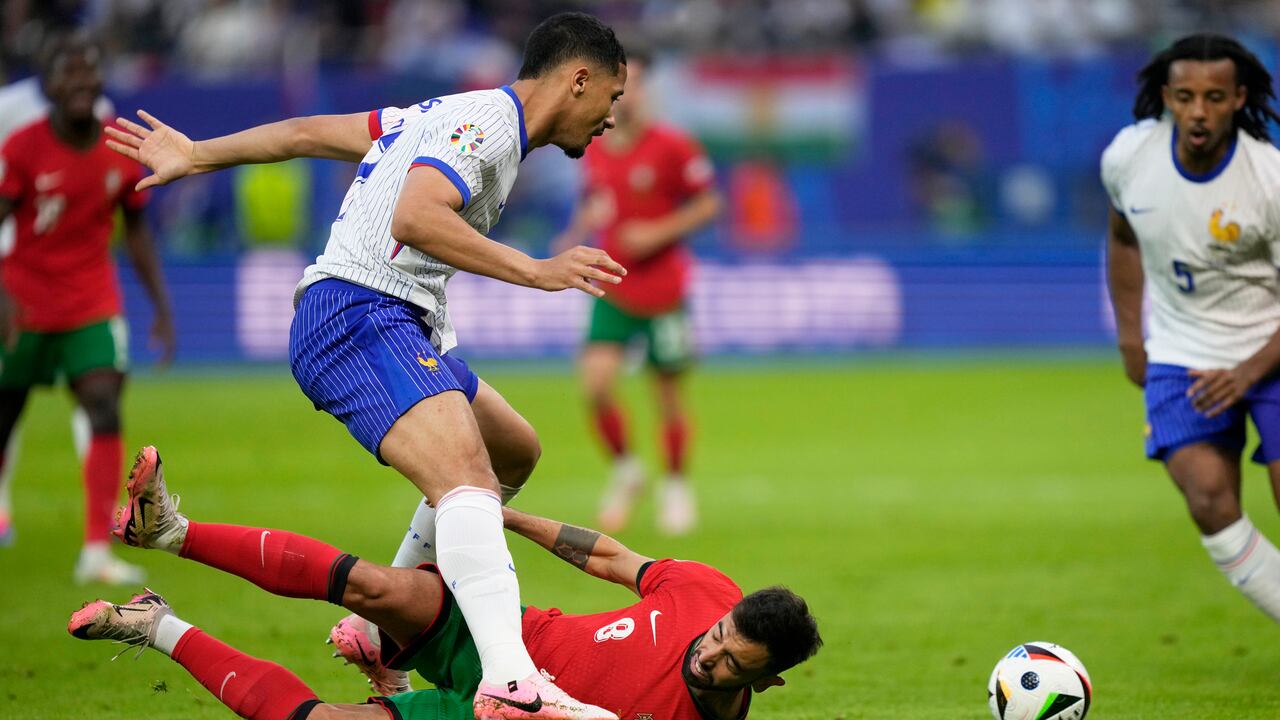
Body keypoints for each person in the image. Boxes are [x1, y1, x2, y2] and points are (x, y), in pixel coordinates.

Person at [108, 12, 629, 718]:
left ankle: (379, 636)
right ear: (578, 79)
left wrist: (199, 153)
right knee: (469, 483)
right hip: (359, 313)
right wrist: (536, 271)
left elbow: (302, 134)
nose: (610, 120)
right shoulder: (490, 126)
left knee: (511, 450)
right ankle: (513, 680)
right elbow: (415, 217)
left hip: (397, 317)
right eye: (612, 99)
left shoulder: (442, 112)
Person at [71, 445, 822, 720]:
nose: (709, 656)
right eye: (718, 639)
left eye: (729, 667)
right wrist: (503, 518)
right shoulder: (705, 595)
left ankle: (156, 627)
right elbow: (610, 558)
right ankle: (169, 531)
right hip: (506, 639)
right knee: (377, 589)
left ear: (767, 685)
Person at [1103, 33, 1280, 622]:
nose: (1198, 111)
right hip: (1183, 348)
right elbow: (1124, 238)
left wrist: (1248, 371)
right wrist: (1133, 336)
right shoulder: (1129, 157)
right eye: (1184, 96)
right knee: (1207, 497)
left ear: (1238, 99)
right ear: (1166, 98)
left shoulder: (1270, 179)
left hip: (1271, 346)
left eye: (1213, 97)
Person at [0, 33, 175, 581]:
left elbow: (138, 229)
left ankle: (97, 551)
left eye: (88, 71)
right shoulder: (21, 148)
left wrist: (161, 307)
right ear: (47, 87)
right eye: (66, 73)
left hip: (91, 300)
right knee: (5, 417)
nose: (79, 82)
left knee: (103, 402)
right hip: (23, 303)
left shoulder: (118, 145)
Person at [552, 49, 721, 535]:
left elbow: (710, 204)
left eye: (639, 84)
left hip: (665, 289)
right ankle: (628, 471)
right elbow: (597, 202)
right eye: (624, 83)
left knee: (667, 395)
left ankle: (674, 485)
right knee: (596, 385)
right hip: (615, 284)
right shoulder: (597, 146)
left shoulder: (674, 146)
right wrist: (574, 234)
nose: (630, 93)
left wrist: (657, 232)